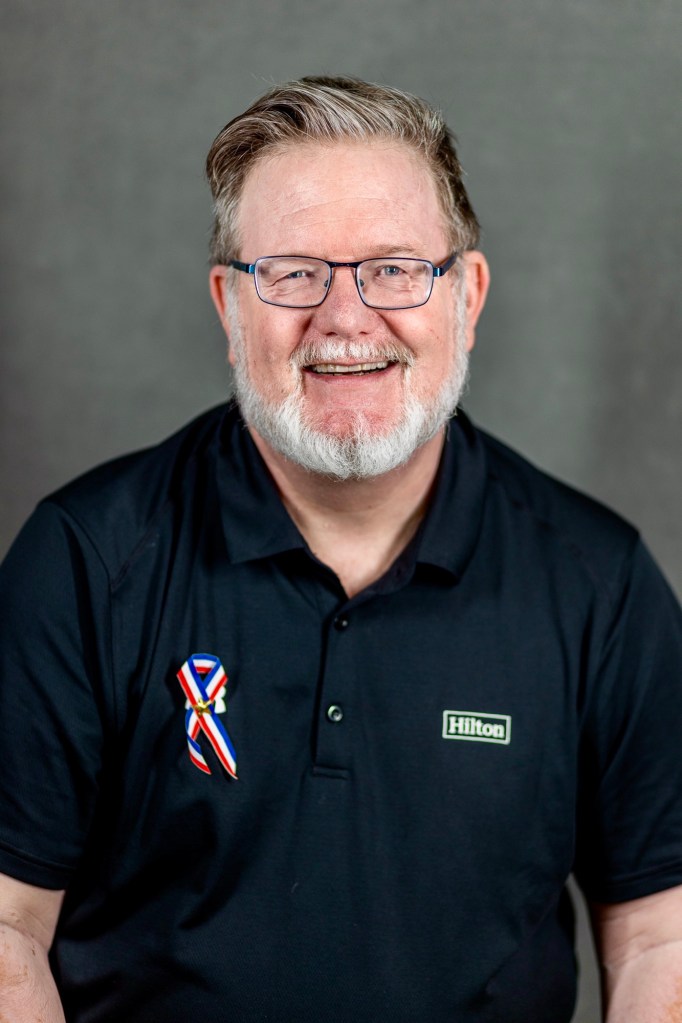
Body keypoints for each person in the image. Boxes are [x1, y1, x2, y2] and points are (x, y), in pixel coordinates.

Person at [0, 75, 680, 1023]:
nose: (346, 317)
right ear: (229, 306)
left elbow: (657, 936)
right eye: (293, 272)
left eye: (395, 269)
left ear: (468, 296)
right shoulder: (85, 562)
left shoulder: (599, 584)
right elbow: (8, 928)